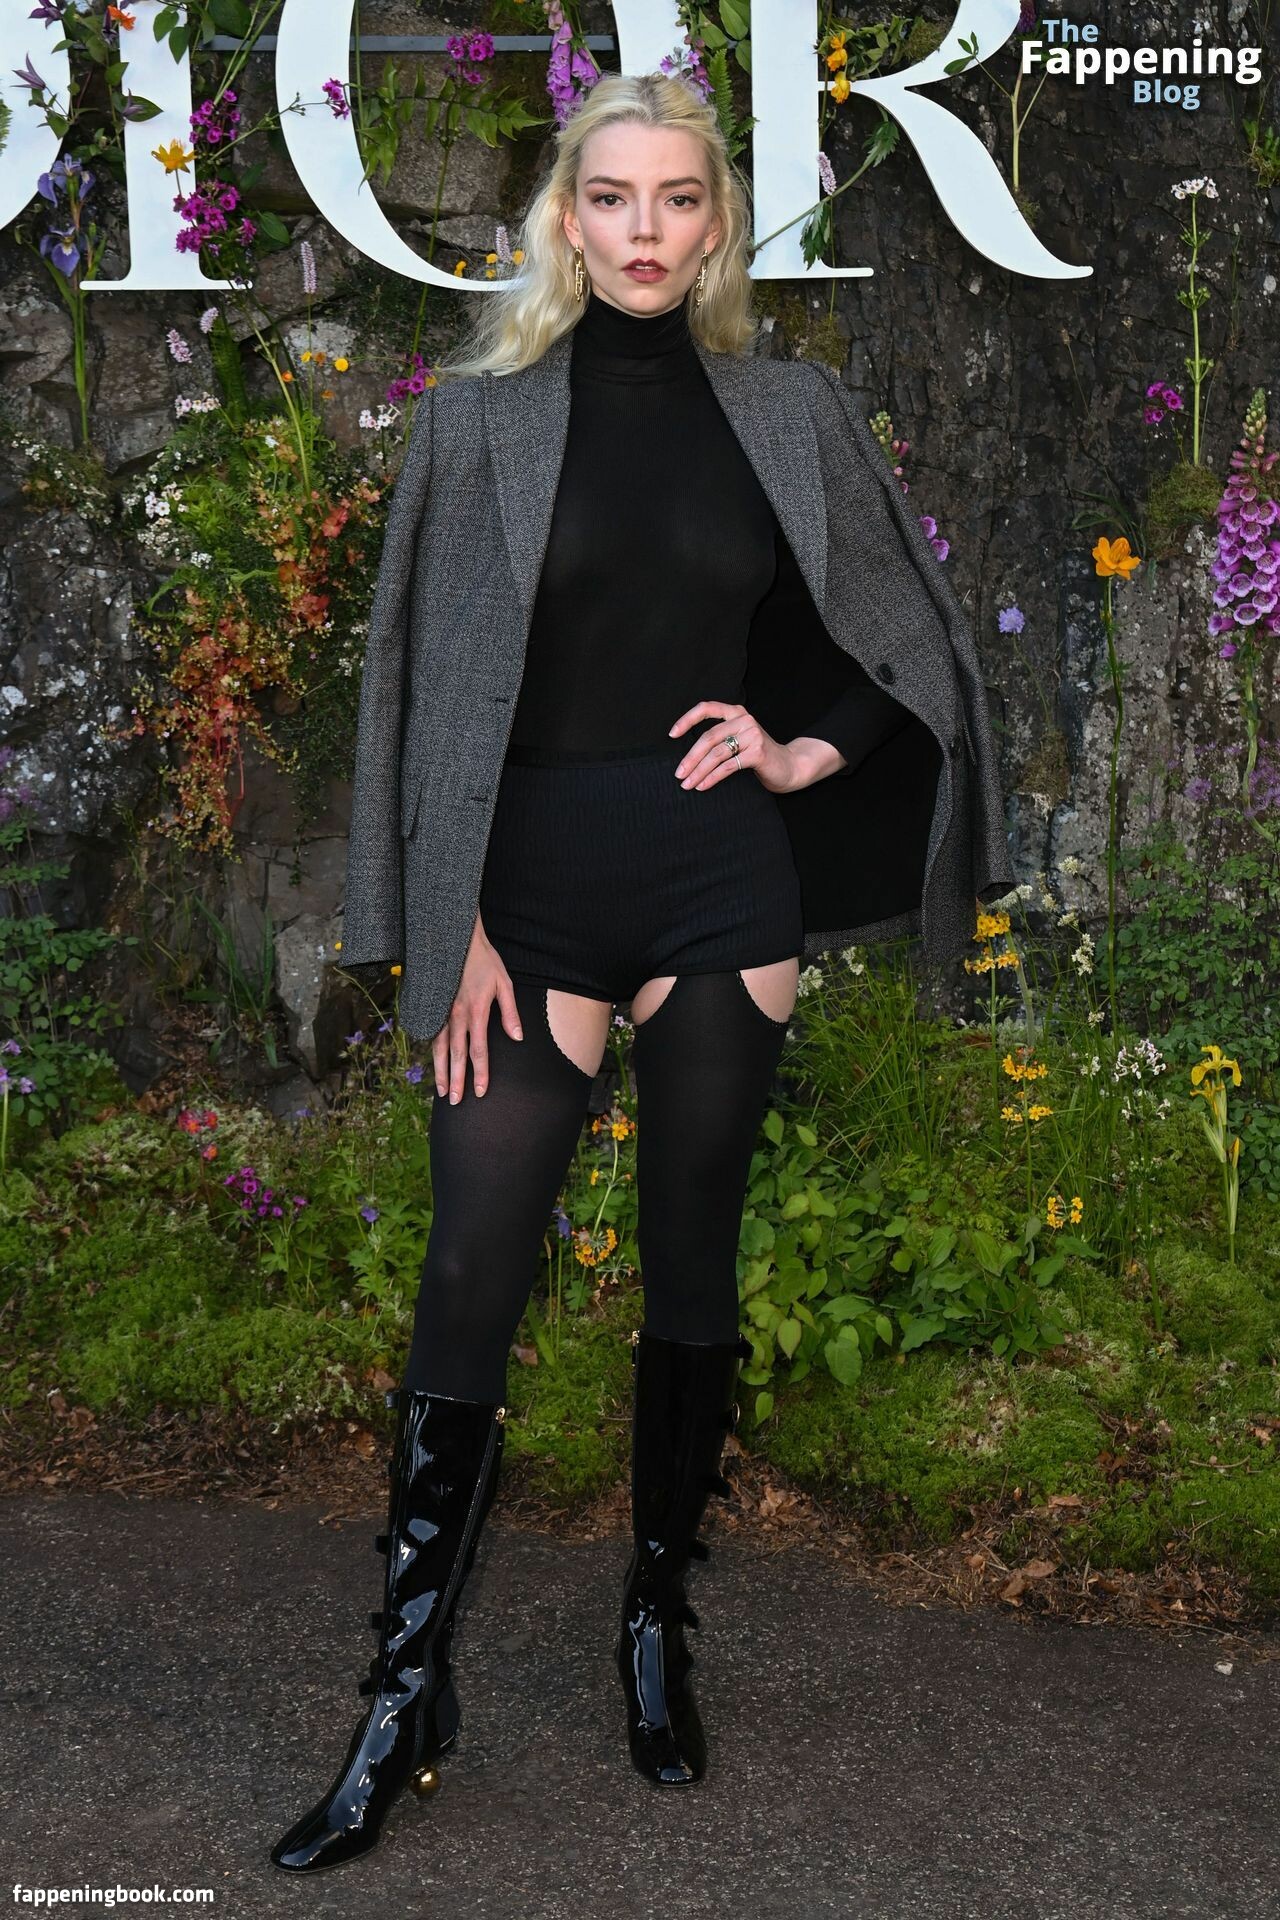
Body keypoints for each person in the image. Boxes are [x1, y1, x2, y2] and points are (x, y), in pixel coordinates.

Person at [271, 69, 1008, 1875]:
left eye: (680, 198)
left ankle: (658, 1620)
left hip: (715, 891)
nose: (646, 230)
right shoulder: (474, 426)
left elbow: (902, 638)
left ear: (718, 220)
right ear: (565, 217)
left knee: (691, 1255)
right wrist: (442, 926)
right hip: (525, 905)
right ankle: (403, 1689)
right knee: (472, 1269)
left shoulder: (788, 411)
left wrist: (803, 749)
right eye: (613, 197)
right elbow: (414, 704)